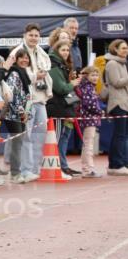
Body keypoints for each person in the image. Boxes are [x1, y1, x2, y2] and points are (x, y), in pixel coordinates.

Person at [10, 23, 51, 182]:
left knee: (40, 134)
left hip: (41, 99)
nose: (34, 38)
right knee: (26, 136)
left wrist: (48, 91)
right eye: (31, 35)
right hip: (25, 101)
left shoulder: (41, 53)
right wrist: (35, 77)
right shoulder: (17, 52)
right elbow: (16, 74)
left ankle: (34, 168)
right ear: (24, 35)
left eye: (36, 35)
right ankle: (25, 170)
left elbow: (46, 73)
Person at [47, 40, 81, 177]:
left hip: (66, 107)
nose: (66, 53)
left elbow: (67, 89)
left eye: (67, 50)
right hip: (58, 108)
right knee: (58, 138)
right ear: (56, 51)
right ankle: (57, 168)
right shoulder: (55, 67)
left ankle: (64, 165)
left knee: (64, 137)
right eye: (63, 50)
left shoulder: (63, 66)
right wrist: (72, 83)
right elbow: (61, 89)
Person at [3, 48, 33, 182]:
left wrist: (27, 113)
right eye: (22, 57)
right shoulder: (14, 74)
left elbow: (26, 96)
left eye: (27, 58)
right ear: (16, 59)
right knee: (17, 143)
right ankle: (15, 173)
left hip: (21, 114)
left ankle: (17, 171)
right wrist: (20, 111)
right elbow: (10, 94)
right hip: (13, 114)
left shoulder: (24, 74)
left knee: (19, 143)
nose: (25, 60)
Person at [104, 39, 128, 175]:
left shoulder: (123, 64)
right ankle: (117, 164)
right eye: (123, 48)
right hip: (118, 103)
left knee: (122, 135)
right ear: (115, 49)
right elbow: (116, 82)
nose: (126, 51)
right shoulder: (112, 64)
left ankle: (119, 163)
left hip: (125, 103)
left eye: (127, 48)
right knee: (120, 136)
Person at [76, 66, 104, 177]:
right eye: (92, 75)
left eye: (97, 75)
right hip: (89, 118)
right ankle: (87, 170)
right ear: (86, 76)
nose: (95, 77)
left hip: (91, 118)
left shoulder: (89, 87)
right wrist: (99, 111)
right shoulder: (87, 87)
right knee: (88, 144)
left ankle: (87, 168)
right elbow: (89, 103)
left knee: (87, 144)